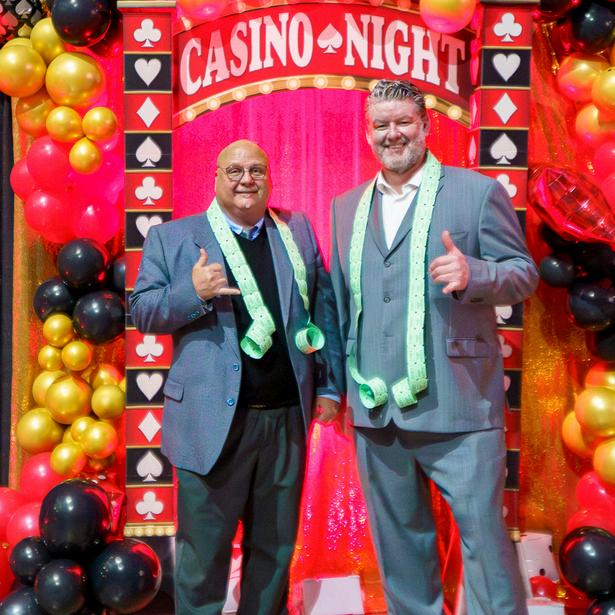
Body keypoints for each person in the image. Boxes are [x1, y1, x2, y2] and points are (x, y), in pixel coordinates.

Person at [329, 80, 538, 614]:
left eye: (403, 122)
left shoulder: (476, 193)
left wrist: (476, 273)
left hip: (459, 405)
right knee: (400, 554)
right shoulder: (345, 207)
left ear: (425, 126)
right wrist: (338, 391)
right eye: (381, 125)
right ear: (368, 133)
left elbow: (523, 274)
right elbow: (339, 305)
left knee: (485, 548)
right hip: (378, 413)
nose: (392, 134)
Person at [130, 139, 342, 615]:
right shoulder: (173, 237)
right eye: (234, 170)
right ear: (216, 177)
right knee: (203, 560)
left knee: (274, 553)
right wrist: (193, 292)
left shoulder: (297, 230)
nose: (246, 179)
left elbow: (322, 308)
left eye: (256, 170)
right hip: (210, 424)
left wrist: (328, 385)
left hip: (285, 420)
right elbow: (142, 311)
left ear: (269, 177)